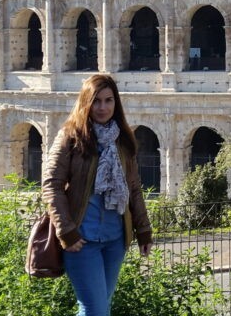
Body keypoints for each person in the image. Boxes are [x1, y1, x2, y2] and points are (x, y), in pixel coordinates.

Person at [42, 74, 153, 316]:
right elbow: (52, 184)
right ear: (85, 103)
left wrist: (143, 230)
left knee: (102, 307)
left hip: (115, 238)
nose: (102, 107)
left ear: (116, 103)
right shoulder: (70, 136)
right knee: (95, 310)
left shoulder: (123, 140)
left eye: (108, 100)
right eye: (96, 101)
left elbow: (133, 188)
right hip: (82, 239)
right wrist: (66, 231)